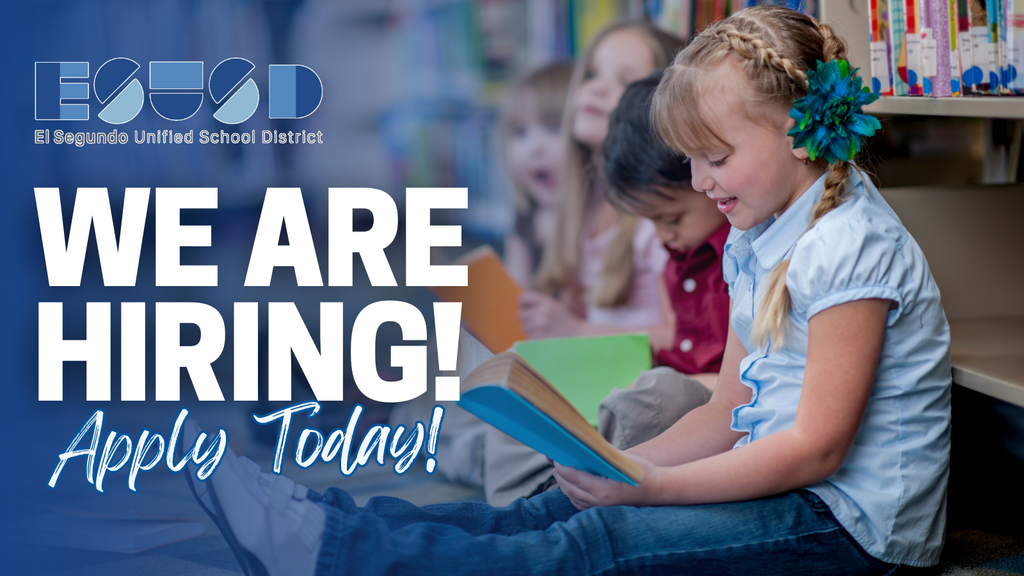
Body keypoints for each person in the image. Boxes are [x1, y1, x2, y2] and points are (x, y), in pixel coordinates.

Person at [188, 6, 952, 574]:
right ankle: (324, 522)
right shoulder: (757, 235)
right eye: (689, 160)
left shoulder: (852, 245)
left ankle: (327, 554)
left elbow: (816, 448)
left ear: (798, 132)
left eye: (714, 157)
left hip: (852, 530)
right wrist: (624, 469)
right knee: (552, 508)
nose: (698, 182)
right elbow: (729, 409)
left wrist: (650, 487)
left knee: (598, 543)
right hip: (788, 488)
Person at [517, 22, 685, 339]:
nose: (596, 88)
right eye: (592, 74)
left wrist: (577, 330)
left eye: (625, 80)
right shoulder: (584, 200)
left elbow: (679, 338)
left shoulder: (656, 219)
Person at [500, 61, 574, 287]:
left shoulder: (597, 221)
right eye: (520, 133)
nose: (534, 148)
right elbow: (513, 298)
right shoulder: (525, 220)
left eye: (553, 128)